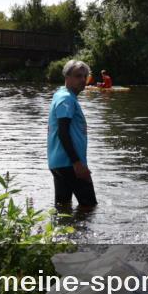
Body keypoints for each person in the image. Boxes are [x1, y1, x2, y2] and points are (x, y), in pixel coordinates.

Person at [47, 60, 97, 211]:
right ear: (67, 77)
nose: (82, 80)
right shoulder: (66, 99)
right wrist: (77, 163)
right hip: (70, 164)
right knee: (89, 207)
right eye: (78, 76)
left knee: (63, 209)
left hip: (58, 163)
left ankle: (63, 234)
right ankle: (84, 235)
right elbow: (63, 132)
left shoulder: (61, 94)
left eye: (84, 76)